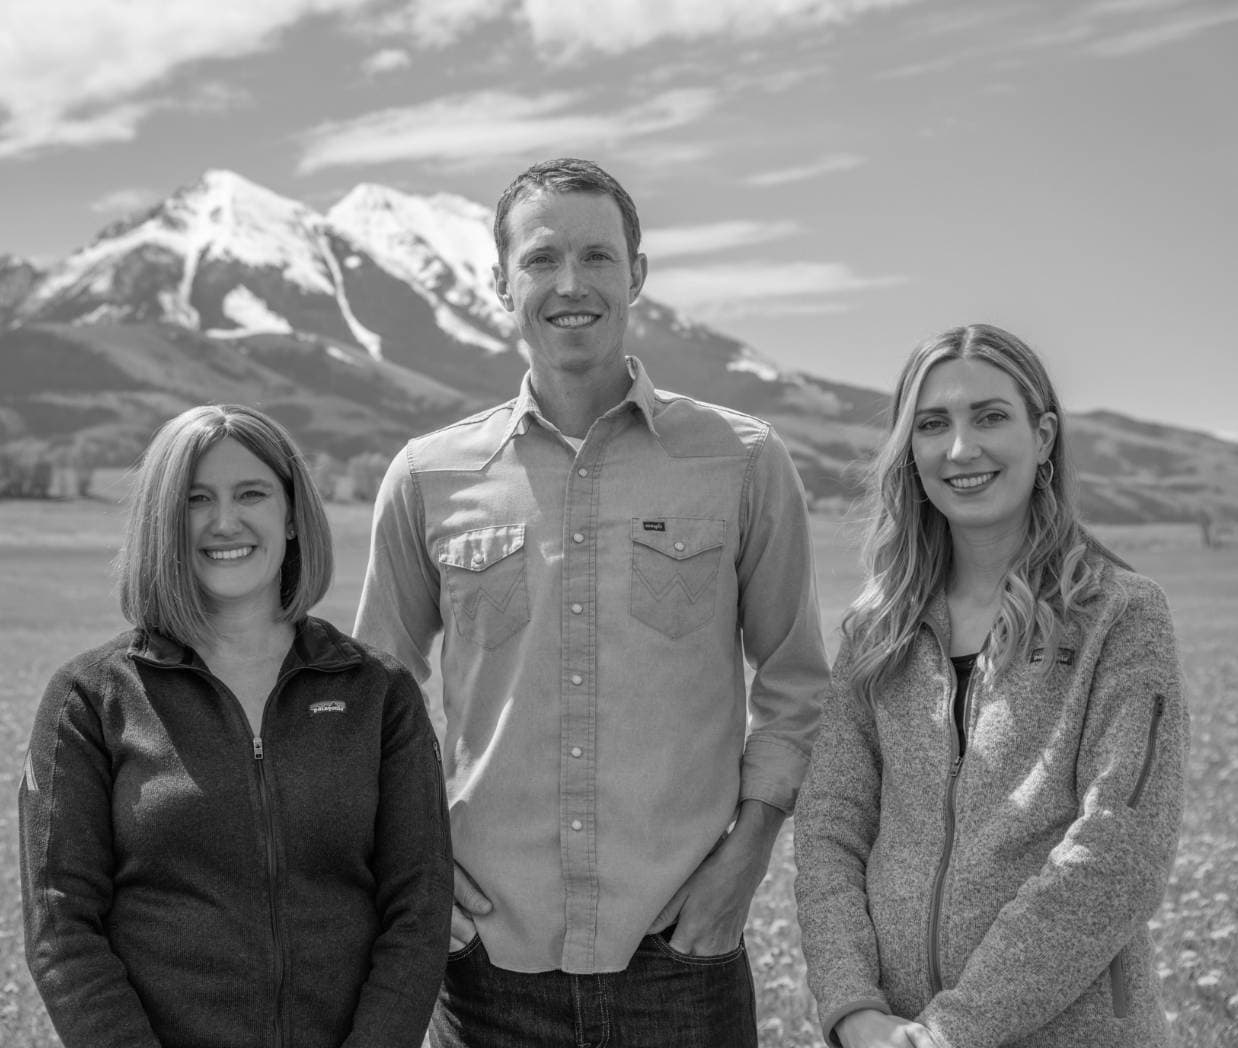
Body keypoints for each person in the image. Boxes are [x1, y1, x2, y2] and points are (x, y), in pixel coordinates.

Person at [354, 157, 830, 1047]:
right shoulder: (428, 477)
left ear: (637, 275)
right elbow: (372, 699)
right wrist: (411, 863)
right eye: (540, 260)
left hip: (682, 961)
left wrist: (746, 858)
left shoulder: (743, 461)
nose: (570, 284)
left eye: (597, 258)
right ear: (500, 283)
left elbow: (798, 684)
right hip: (483, 968)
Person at [793, 324, 1188, 1048]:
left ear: (1043, 437)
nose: (960, 448)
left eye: (991, 417)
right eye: (932, 424)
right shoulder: (876, 633)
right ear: (908, 452)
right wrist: (854, 1010)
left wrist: (950, 1034)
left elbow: (1118, 855)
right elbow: (830, 831)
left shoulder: (1122, 617)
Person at [19, 404, 454, 1048]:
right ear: (162, 522)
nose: (225, 522)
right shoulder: (90, 698)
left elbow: (418, 907)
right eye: (195, 499)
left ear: (292, 515)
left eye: (252, 493)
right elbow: (61, 923)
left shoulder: (375, 691)